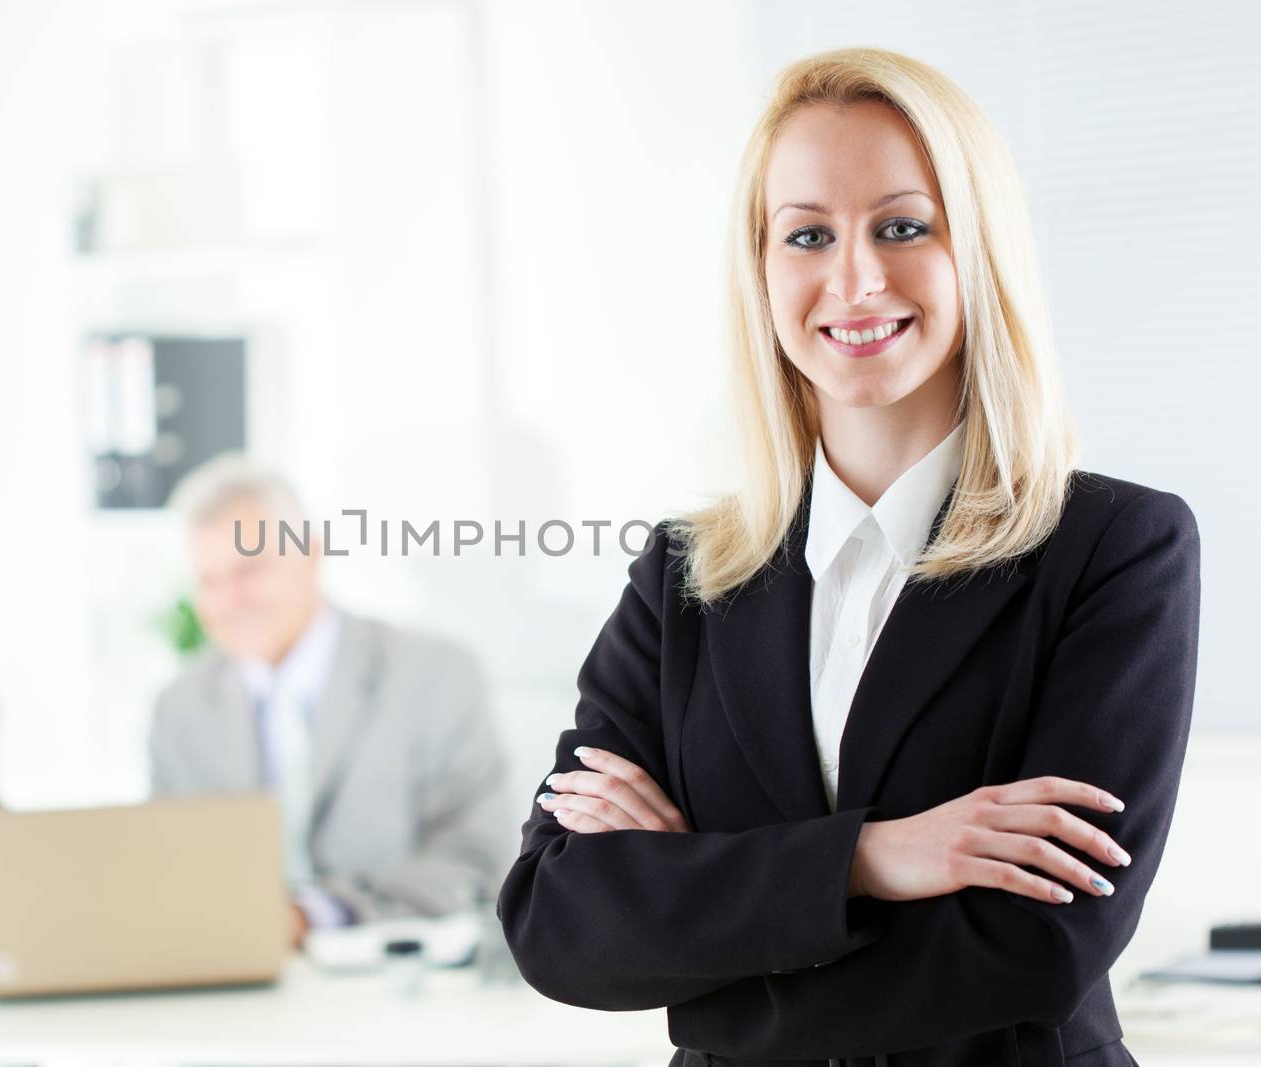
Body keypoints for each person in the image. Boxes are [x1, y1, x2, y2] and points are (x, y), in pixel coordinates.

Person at [496, 47, 1200, 1067]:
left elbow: (1040, 944)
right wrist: (877, 856)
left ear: (979, 249)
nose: (855, 278)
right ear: (763, 269)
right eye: (808, 234)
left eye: (903, 227)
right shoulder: (685, 574)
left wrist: (706, 938)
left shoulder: (1111, 550)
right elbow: (558, 919)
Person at [149, 453, 515, 950]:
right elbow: (166, 874)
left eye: (249, 569)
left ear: (311, 555)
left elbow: (478, 864)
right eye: (209, 581)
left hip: (400, 987)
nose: (229, 600)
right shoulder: (180, 710)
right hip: (232, 985)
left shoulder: (435, 676)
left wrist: (314, 915)